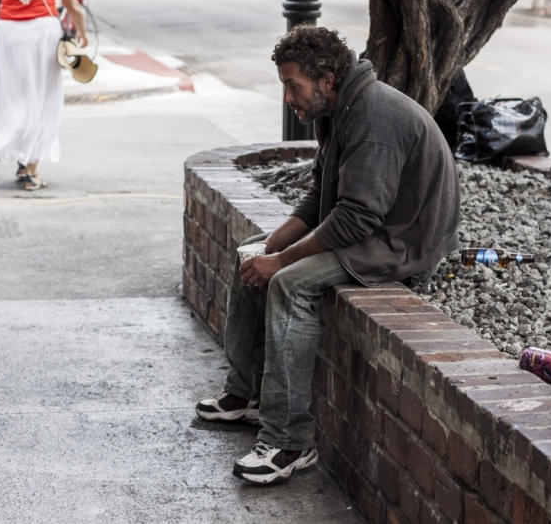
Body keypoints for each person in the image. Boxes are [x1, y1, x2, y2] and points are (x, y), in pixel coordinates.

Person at [195, 26, 461, 485]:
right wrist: (272, 245)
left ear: (327, 78)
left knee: (288, 284)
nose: (287, 98)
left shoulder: (373, 118)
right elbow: (321, 194)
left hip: (398, 243)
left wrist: (282, 263)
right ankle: (245, 395)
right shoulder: (338, 110)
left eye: (292, 85)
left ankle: (290, 440)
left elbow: (356, 219)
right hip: (370, 228)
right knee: (252, 255)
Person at [0, 0, 87, 191]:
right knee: (41, 98)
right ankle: (31, 169)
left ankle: (23, 160)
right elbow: (72, 5)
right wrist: (82, 31)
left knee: (13, 98)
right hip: (42, 32)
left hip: (9, 33)